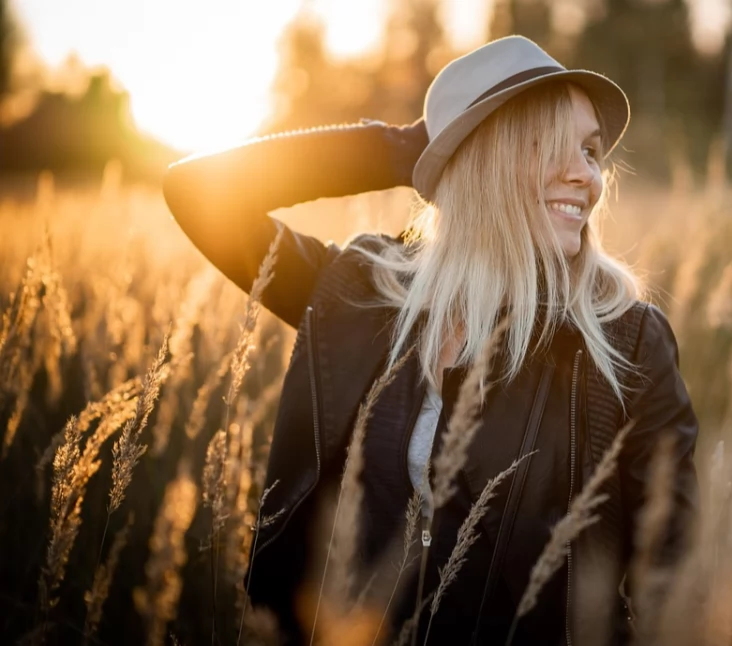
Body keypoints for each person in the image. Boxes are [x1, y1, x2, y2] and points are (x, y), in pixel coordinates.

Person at [163, 35, 699, 645]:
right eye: (556, 145)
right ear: (483, 156)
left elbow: (676, 577)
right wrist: (411, 150)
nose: (588, 175)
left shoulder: (626, 341)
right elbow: (198, 191)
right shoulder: (364, 294)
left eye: (591, 150)